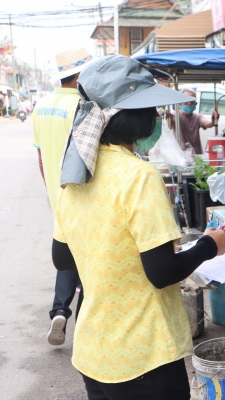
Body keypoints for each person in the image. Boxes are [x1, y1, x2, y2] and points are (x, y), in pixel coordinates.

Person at [52, 54, 225, 399]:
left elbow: (62, 258)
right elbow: (162, 272)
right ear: (136, 118)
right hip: (143, 356)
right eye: (153, 110)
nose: (156, 117)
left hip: (93, 352)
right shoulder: (139, 176)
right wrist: (210, 245)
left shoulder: (76, 171)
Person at [32, 46, 94, 346]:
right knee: (89, 263)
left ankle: (59, 310)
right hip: (84, 196)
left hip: (58, 198)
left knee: (69, 255)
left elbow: (41, 157)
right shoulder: (84, 106)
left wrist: (50, 190)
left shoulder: (41, 105)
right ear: (79, 75)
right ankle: (83, 327)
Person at [165, 87, 219, 154]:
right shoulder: (174, 115)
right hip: (180, 154)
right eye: (186, 99)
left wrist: (213, 119)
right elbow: (168, 126)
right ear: (180, 102)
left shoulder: (198, 116)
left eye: (192, 100)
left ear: (196, 103)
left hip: (196, 155)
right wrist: (169, 120)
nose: (189, 103)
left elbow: (208, 124)